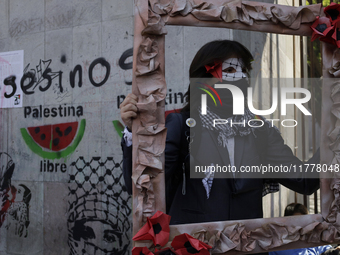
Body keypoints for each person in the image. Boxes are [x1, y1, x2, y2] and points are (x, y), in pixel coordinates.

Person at [120, 40, 320, 225]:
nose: (239, 79)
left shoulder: (261, 131)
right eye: (230, 70)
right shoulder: (182, 126)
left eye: (243, 71)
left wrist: (334, 139)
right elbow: (142, 186)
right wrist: (133, 132)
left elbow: (304, 180)